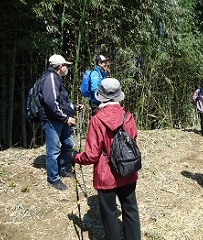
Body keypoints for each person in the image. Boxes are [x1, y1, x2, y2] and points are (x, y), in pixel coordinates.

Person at [74, 78, 141, 240]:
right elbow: (133, 141)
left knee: (110, 215)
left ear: (101, 97)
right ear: (118, 96)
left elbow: (91, 155)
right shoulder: (128, 116)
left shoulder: (97, 120)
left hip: (106, 176)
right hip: (128, 171)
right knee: (130, 210)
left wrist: (75, 157)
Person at [39, 54, 83, 190]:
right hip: (53, 120)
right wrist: (66, 118)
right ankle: (53, 178)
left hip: (60, 119)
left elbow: (62, 102)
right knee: (53, 150)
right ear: (59, 67)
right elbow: (51, 103)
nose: (67, 68)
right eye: (66, 65)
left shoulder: (56, 78)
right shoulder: (50, 78)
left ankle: (62, 169)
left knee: (68, 143)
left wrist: (74, 107)